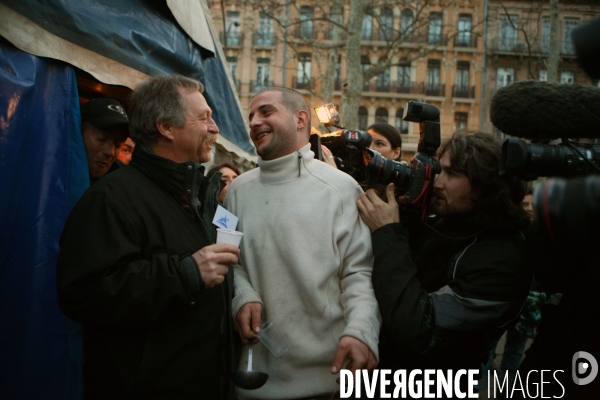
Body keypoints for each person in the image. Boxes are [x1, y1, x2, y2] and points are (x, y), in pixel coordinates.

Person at [57, 75, 240, 399]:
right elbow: (84, 293)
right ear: (166, 128)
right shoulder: (111, 199)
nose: (215, 128)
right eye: (204, 117)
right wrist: (184, 273)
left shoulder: (204, 197)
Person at [225, 87, 380, 399]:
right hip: (251, 383)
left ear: (301, 119)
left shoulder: (342, 189)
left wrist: (362, 332)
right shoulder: (234, 193)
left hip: (329, 382)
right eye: (251, 115)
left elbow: (358, 274)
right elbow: (227, 258)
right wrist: (241, 293)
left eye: (266, 112)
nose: (254, 122)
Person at [357, 130, 531, 395]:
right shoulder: (444, 222)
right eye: (440, 171)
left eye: (452, 174)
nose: (437, 183)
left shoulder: (503, 260)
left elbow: (417, 332)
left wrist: (388, 233)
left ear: (486, 187)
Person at [80, 98, 129, 182]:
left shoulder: (123, 186)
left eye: (118, 145)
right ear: (79, 131)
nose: (110, 152)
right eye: (101, 139)